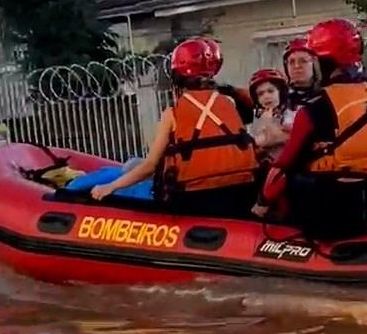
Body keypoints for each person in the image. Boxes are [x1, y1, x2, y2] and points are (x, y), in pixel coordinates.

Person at [251, 19, 367, 238]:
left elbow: (284, 165)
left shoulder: (318, 105)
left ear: (323, 62)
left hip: (335, 208)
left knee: (291, 179)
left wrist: (261, 205)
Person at [90, 38, 257, 214]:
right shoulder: (230, 102)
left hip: (197, 198)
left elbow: (149, 166)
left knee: (134, 173)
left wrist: (110, 187)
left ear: (177, 76)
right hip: (243, 193)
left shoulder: (172, 113)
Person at [248, 67, 292, 161]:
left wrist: (268, 124)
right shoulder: (256, 118)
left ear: (281, 92)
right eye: (260, 94)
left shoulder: (291, 114)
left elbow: (285, 138)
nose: (266, 96)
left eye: (271, 91)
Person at [283, 38, 320, 116]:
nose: (297, 66)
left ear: (314, 65)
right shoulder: (280, 99)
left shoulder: (326, 96)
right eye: (292, 62)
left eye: (303, 61)